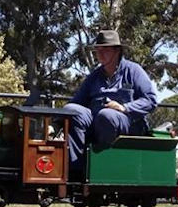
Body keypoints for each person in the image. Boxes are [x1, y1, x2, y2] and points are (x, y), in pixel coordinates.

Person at [65, 29, 157, 175]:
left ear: (117, 51)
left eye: (105, 50)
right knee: (71, 110)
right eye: (97, 50)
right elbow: (77, 102)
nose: (100, 54)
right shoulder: (94, 76)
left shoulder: (133, 71)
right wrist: (55, 123)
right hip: (95, 119)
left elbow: (150, 100)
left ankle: (103, 167)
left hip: (127, 122)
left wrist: (124, 108)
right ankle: (76, 169)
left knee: (106, 115)